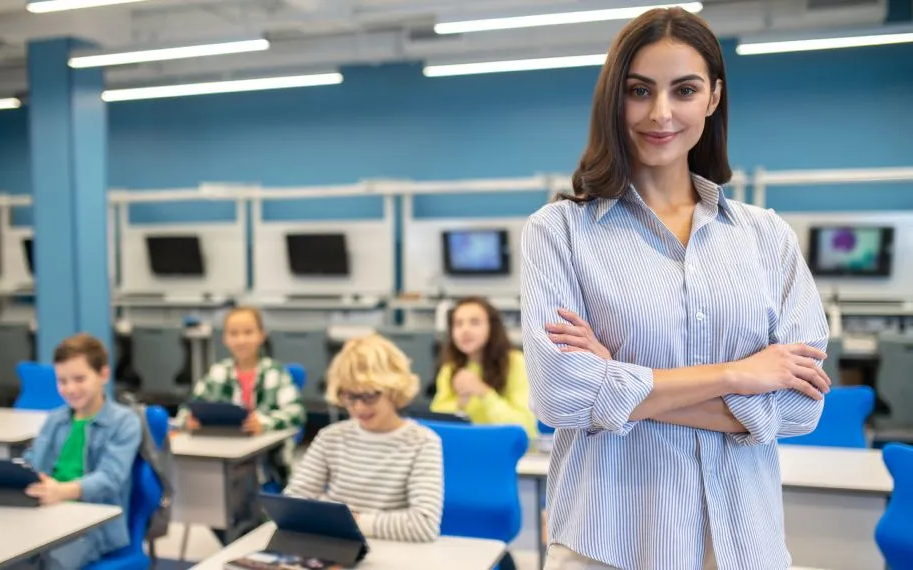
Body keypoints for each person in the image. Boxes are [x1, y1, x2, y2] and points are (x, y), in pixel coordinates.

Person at [520, 7, 831, 570]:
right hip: (609, 540)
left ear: (712, 97)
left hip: (742, 541)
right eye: (639, 90)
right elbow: (561, 396)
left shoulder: (767, 238)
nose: (660, 113)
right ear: (614, 98)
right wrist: (738, 374)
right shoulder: (559, 232)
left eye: (683, 90)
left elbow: (799, 406)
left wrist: (614, 385)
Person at [0, 333, 141, 570]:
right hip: (44, 514)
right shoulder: (55, 420)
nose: (70, 388)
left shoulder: (124, 422)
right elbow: (31, 462)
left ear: (103, 375)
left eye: (79, 379)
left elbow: (110, 479)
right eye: (62, 381)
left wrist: (62, 491)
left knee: (50, 562)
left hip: (92, 526)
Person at [285, 334, 443, 543]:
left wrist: (347, 520)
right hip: (338, 548)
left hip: (395, 554)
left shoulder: (422, 442)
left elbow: (424, 525)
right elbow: (293, 503)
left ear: (393, 390)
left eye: (369, 396)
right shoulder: (331, 438)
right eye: (349, 397)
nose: (358, 407)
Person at [178, 306, 306, 486]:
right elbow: (187, 409)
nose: (241, 340)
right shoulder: (217, 373)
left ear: (262, 335)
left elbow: (296, 412)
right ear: (225, 338)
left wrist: (264, 423)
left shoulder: (275, 373)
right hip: (220, 454)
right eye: (234, 333)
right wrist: (188, 420)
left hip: (265, 463)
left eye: (248, 332)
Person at [430, 296, 537, 438]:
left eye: (474, 322)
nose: (465, 330)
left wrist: (484, 392)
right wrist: (460, 403)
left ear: (492, 327)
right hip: (467, 448)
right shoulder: (450, 368)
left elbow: (525, 426)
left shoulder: (516, 363)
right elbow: (436, 421)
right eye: (458, 323)